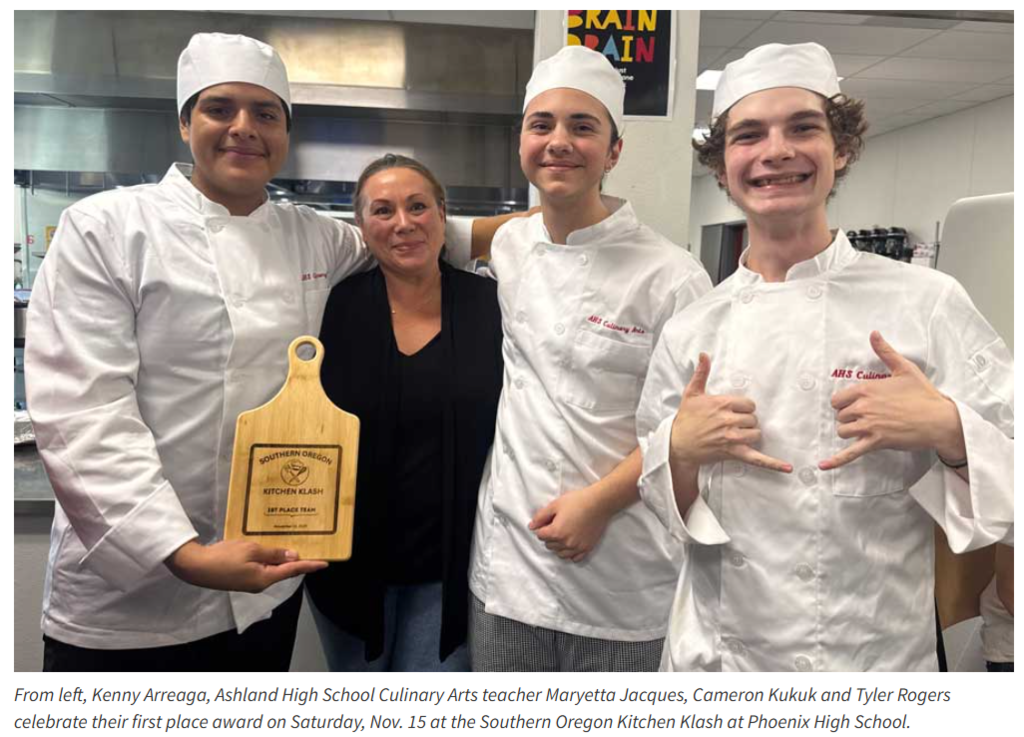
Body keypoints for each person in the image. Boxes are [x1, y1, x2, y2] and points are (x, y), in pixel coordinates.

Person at [25, 33, 509, 672]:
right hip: (132, 601)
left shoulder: (311, 237)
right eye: (220, 109)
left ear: (286, 133)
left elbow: (413, 236)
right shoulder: (106, 229)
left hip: (266, 589)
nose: (243, 129)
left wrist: (577, 226)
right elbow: (83, 414)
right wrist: (184, 553)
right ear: (183, 122)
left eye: (265, 114)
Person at [636, 42, 1014, 671]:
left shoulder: (925, 302)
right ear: (723, 165)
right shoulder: (692, 327)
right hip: (721, 656)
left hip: (870, 656)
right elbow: (659, 511)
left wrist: (950, 431)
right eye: (749, 135)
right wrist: (677, 449)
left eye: (803, 127)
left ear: (840, 149)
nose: (776, 151)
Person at [467, 46, 712, 672]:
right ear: (521, 140)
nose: (559, 142)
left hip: (620, 573)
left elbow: (692, 426)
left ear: (614, 150)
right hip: (506, 571)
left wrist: (599, 503)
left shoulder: (671, 277)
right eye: (541, 125)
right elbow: (402, 232)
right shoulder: (512, 243)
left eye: (583, 126)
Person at [304, 154, 503, 671]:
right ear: (361, 227)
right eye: (383, 210)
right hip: (346, 564)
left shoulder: (491, 306)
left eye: (418, 207)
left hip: (451, 564)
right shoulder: (333, 307)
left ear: (443, 216)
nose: (403, 223)